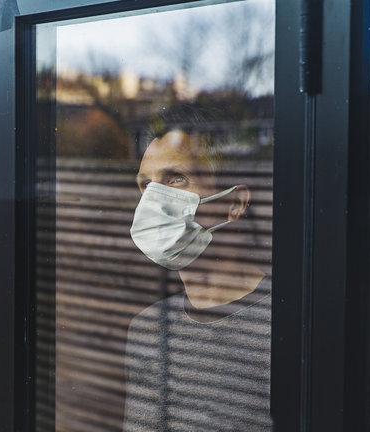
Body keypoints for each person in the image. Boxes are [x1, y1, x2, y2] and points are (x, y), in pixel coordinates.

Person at [123, 106, 273, 431]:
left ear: (235, 203)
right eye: (145, 185)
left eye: (176, 178)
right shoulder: (146, 330)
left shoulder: (287, 328)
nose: (152, 201)